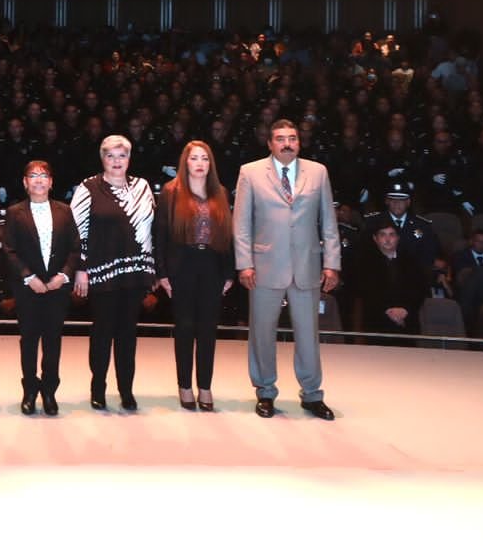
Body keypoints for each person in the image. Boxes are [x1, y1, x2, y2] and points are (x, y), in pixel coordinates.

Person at [234, 119, 341, 420]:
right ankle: (265, 391)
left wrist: (332, 263)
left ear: (299, 142)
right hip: (265, 265)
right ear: (270, 143)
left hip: (307, 265)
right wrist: (244, 263)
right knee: (262, 333)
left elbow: (328, 221)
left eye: (292, 138)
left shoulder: (317, 172)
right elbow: (241, 223)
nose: (287, 144)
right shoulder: (250, 172)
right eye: (280, 139)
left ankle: (312, 394)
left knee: (308, 335)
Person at [71, 134, 156, 412]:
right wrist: (81, 268)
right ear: (102, 159)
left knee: (128, 334)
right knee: (102, 332)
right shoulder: (88, 187)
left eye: (122, 155)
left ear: (129, 159)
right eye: (110, 156)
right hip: (102, 272)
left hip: (135, 272)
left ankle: (126, 390)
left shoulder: (142, 186)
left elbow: (149, 229)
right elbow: (76, 232)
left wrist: (151, 268)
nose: (116, 161)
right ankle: (98, 388)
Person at [153, 140, 234, 411]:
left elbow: (228, 235)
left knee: (208, 330)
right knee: (185, 328)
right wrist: (162, 273)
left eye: (204, 158)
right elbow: (160, 235)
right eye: (194, 158)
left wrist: (229, 272)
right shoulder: (171, 191)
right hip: (182, 265)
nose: (200, 163)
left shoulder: (220, 192)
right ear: (185, 162)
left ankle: (205, 386)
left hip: (212, 265)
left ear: (211, 164)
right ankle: (185, 385)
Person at [0, 160, 78, 416]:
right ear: (25, 182)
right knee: (29, 340)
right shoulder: (15, 212)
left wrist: (63, 276)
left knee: (53, 340)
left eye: (44, 175)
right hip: (27, 288)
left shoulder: (65, 211)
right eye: (33, 175)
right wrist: (28, 277)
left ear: (51, 182)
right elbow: (9, 250)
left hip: (57, 287)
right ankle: (30, 390)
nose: (39, 180)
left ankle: (49, 391)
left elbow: (75, 248)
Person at [353, 217, 428, 335]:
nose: (387, 239)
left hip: (407, 321)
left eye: (392, 235)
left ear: (398, 238)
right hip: (377, 323)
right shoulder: (365, 263)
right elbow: (367, 292)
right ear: (375, 239)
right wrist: (389, 311)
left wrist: (405, 310)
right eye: (382, 235)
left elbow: (419, 289)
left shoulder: (411, 261)